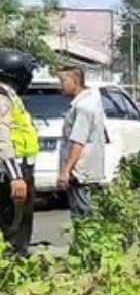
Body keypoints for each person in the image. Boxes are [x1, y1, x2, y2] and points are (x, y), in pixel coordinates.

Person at [0, 49, 40, 256]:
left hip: (19, 168)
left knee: (20, 226)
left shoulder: (10, 96)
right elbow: (2, 138)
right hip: (11, 171)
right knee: (13, 228)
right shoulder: (2, 97)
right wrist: (15, 176)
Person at [56, 65, 106, 219]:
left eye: (63, 80)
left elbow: (78, 142)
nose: (61, 85)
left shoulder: (84, 107)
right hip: (84, 171)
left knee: (82, 217)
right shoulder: (88, 101)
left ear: (75, 81)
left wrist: (66, 171)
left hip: (80, 172)